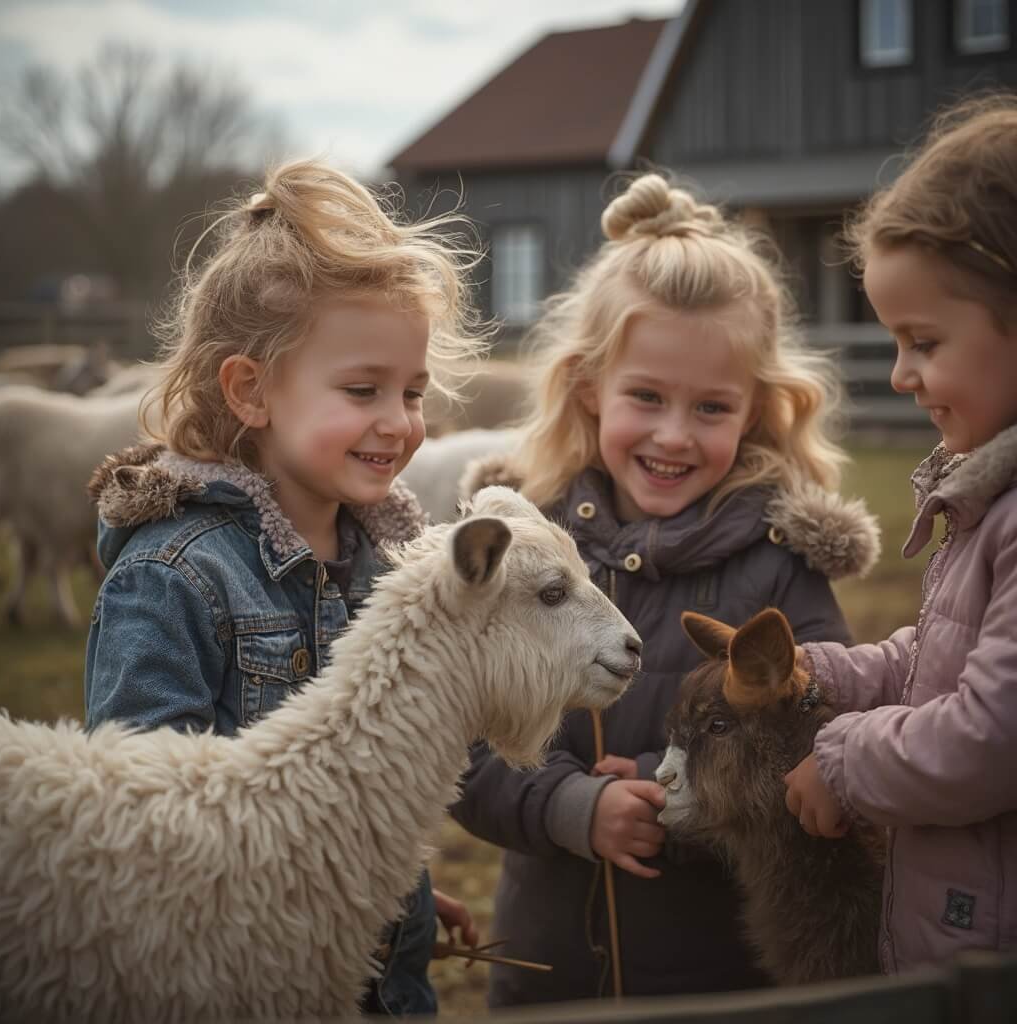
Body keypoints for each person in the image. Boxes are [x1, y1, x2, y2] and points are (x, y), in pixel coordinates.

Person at [452, 172, 880, 1006]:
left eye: (711, 409)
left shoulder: (779, 570)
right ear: (588, 389)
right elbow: (459, 749)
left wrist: (667, 787)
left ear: (756, 411)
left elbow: (820, 753)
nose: (674, 435)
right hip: (548, 978)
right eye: (645, 396)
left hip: (716, 983)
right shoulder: (529, 554)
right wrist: (572, 807)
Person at [84, 159, 483, 1014]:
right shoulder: (172, 578)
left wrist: (389, 893)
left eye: (412, 391)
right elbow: (141, 824)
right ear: (251, 390)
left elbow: (369, 778)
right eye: (362, 389)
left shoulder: (385, 565)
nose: (400, 422)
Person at [785, 93, 1017, 973]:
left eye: (923, 341)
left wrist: (843, 761)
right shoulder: (994, 497)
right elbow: (956, 654)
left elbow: (991, 737)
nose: (901, 374)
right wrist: (836, 673)